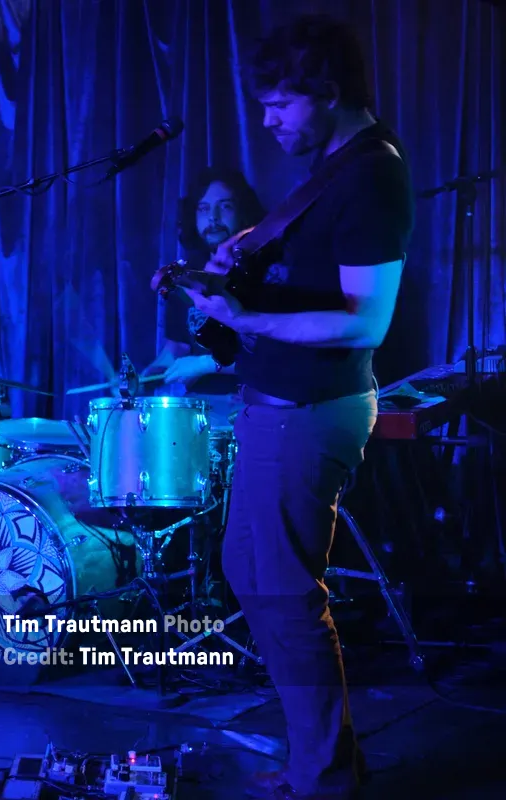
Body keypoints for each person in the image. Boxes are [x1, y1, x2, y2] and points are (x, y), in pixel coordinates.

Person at [181, 16, 414, 800]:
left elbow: (364, 320)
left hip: (313, 409)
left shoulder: (373, 173)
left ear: (328, 92)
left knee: (283, 591)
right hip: (275, 404)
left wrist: (246, 317)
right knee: (249, 573)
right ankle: (319, 760)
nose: (269, 121)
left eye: (279, 104)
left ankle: (326, 776)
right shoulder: (335, 166)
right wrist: (236, 260)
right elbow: (307, 261)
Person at [144, 169, 266, 428]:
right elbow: (176, 348)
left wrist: (204, 364)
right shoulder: (186, 276)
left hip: (249, 403)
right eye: (203, 208)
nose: (213, 217)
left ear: (243, 210)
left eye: (225, 206)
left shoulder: (263, 271)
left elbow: (271, 352)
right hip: (199, 407)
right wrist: (146, 377)